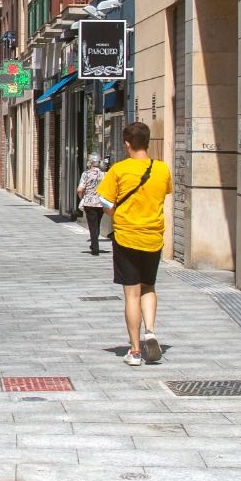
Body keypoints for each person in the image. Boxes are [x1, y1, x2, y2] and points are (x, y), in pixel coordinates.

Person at [97, 121, 173, 368]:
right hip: (153, 237)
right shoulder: (162, 170)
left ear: (127, 143)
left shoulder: (119, 170)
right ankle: (150, 331)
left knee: (132, 293)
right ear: (148, 142)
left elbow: (104, 201)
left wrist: (116, 213)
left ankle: (136, 350)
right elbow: (163, 196)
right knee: (149, 287)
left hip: (127, 237)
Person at [76, 153, 105, 256]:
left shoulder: (86, 174)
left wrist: (82, 197)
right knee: (97, 224)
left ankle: (95, 248)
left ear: (90, 163)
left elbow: (80, 189)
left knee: (92, 225)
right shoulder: (104, 174)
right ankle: (94, 244)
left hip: (89, 203)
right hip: (100, 203)